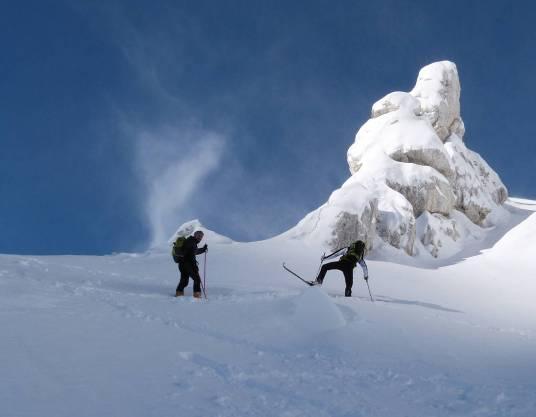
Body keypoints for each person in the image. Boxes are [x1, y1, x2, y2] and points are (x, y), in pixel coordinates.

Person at [175, 230, 208, 298]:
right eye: (198, 235)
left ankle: (179, 293)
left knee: (184, 280)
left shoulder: (191, 241)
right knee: (196, 279)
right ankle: (197, 295)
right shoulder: (192, 242)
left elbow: (194, 252)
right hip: (187, 264)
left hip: (182, 264)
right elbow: (191, 256)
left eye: (201, 236)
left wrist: (203, 249)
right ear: (195, 235)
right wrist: (195, 266)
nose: (200, 237)